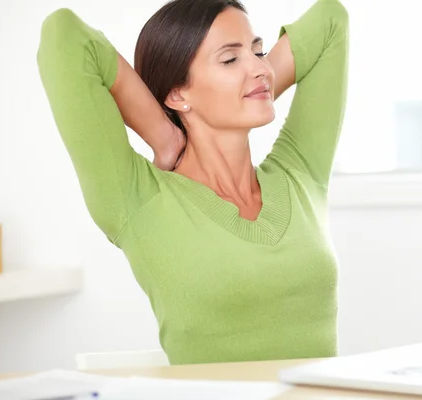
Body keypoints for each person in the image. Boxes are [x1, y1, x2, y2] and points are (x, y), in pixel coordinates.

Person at [37, 0, 349, 365]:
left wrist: (251, 84)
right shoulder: (139, 200)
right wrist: (163, 135)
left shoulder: (299, 173)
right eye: (230, 59)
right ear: (177, 94)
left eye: (259, 51)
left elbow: (331, 19)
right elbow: (64, 35)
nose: (260, 66)